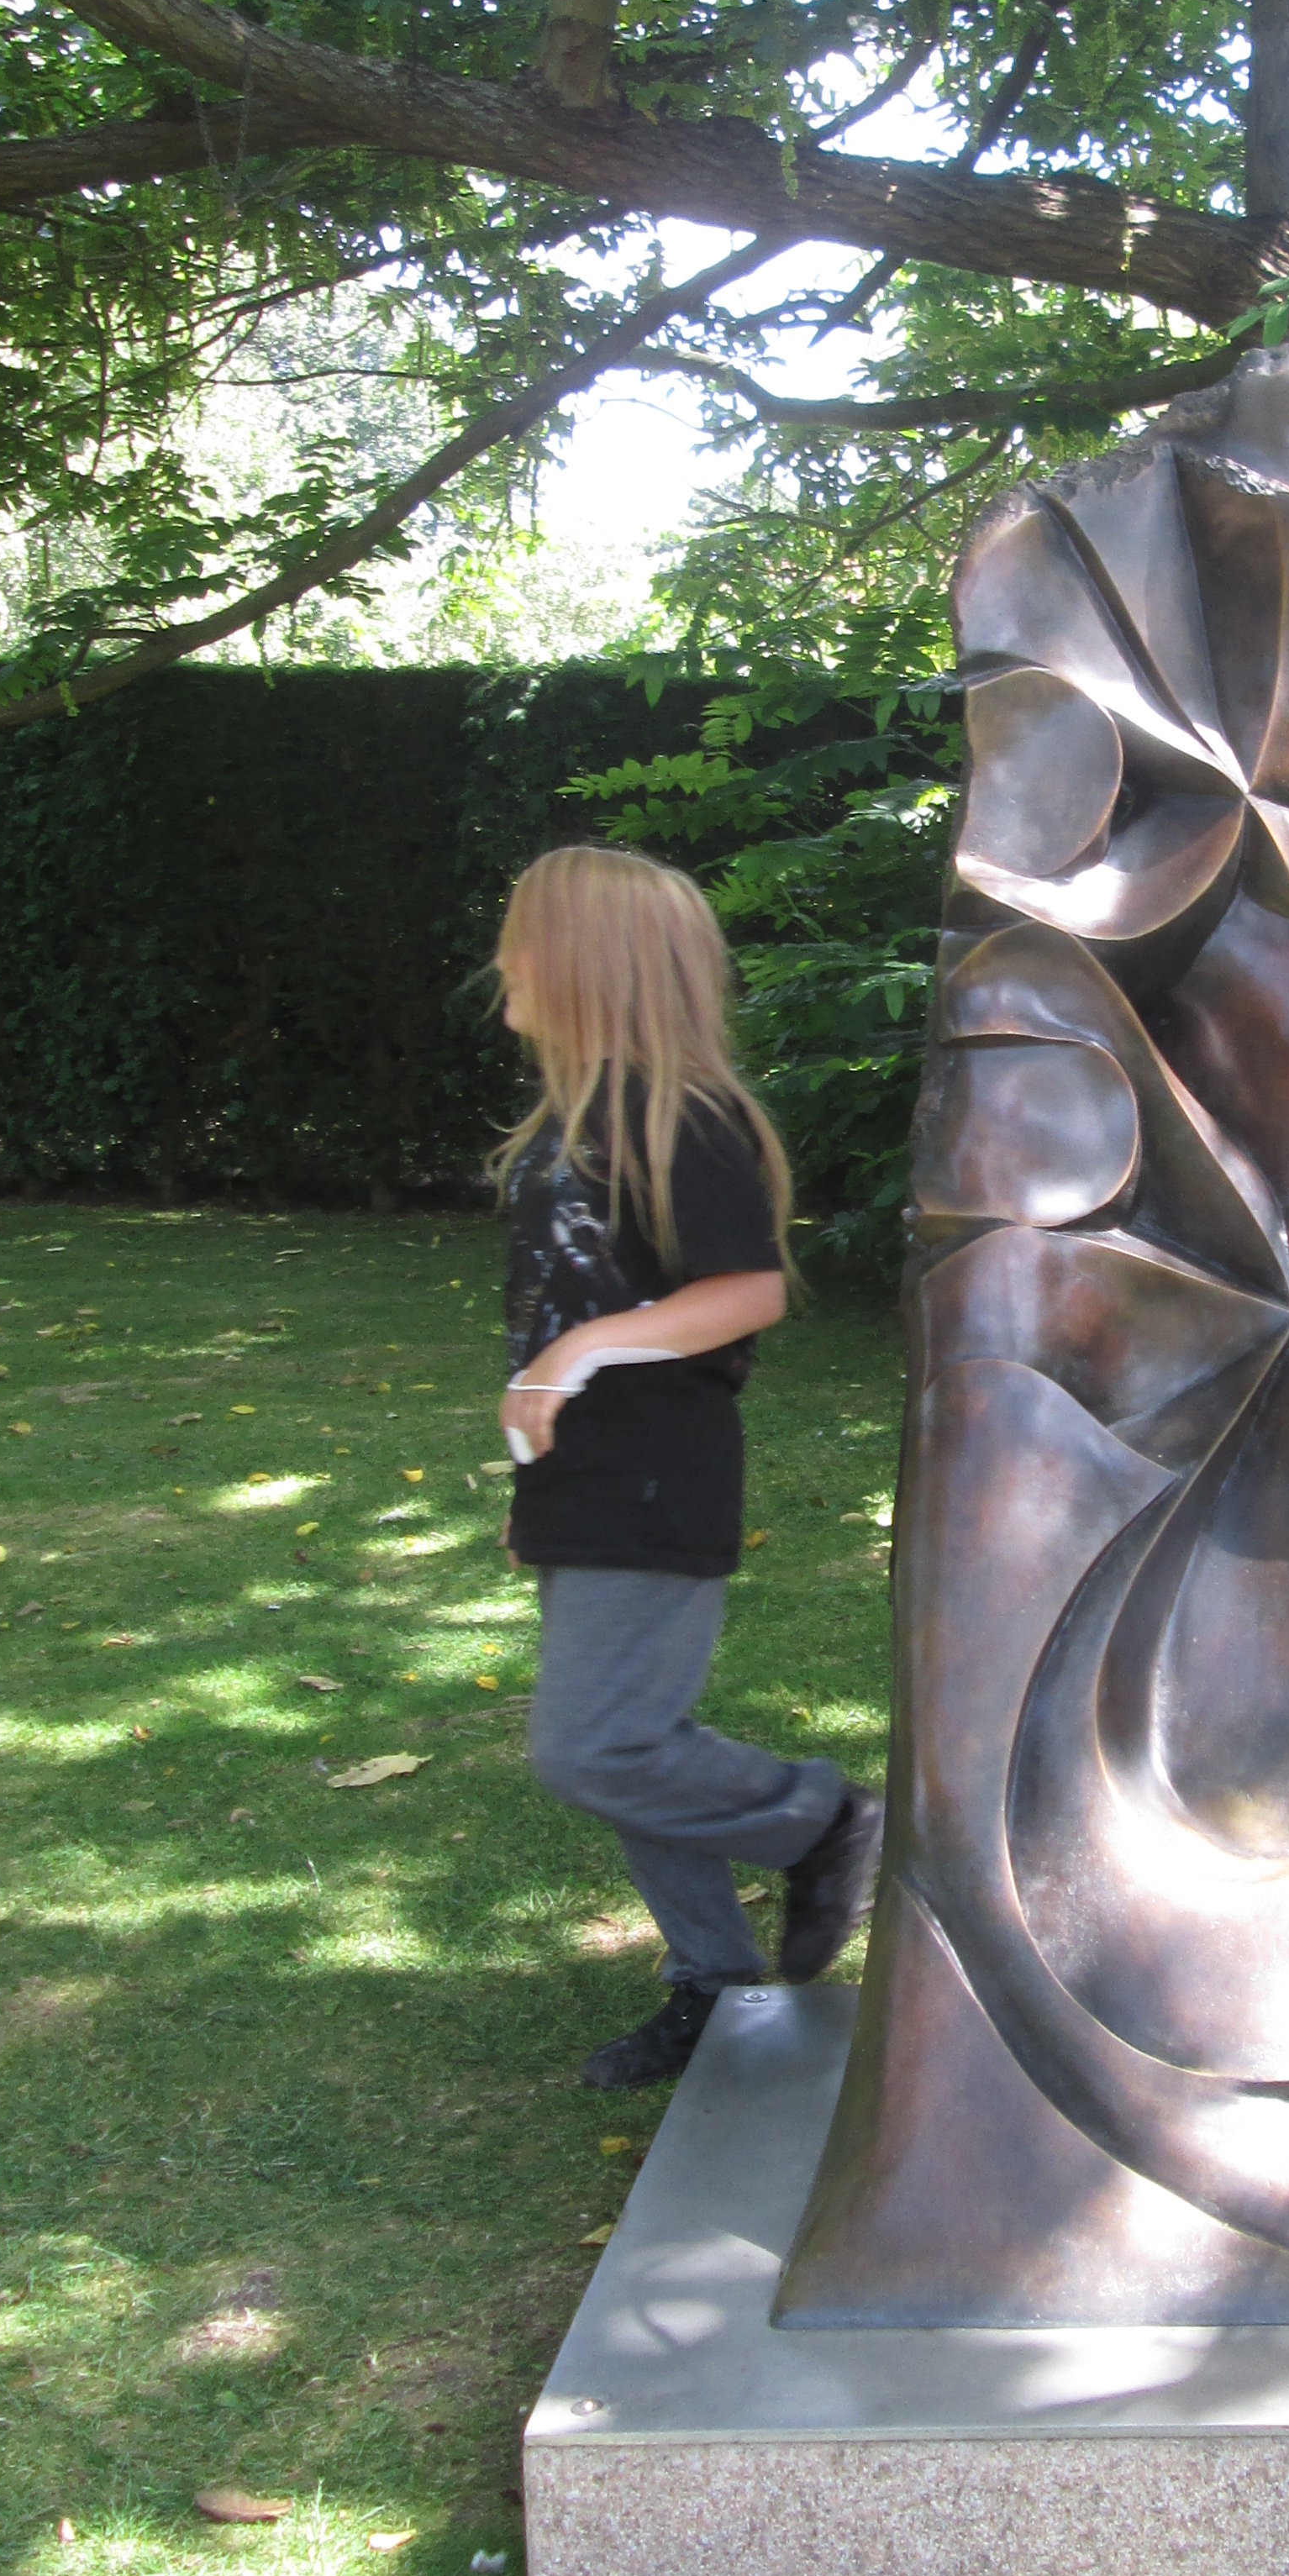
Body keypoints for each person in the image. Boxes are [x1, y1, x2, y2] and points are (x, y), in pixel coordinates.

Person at [490, 843, 881, 2089]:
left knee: (595, 1748)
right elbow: (559, 1315)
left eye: (520, 937)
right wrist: (536, 1487)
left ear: (588, 963)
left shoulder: (680, 1116)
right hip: (584, 1484)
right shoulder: (569, 1125)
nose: (500, 960)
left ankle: (827, 1823)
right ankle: (712, 1980)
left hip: (657, 1475)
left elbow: (747, 1290)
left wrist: (585, 1350)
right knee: (632, 1748)